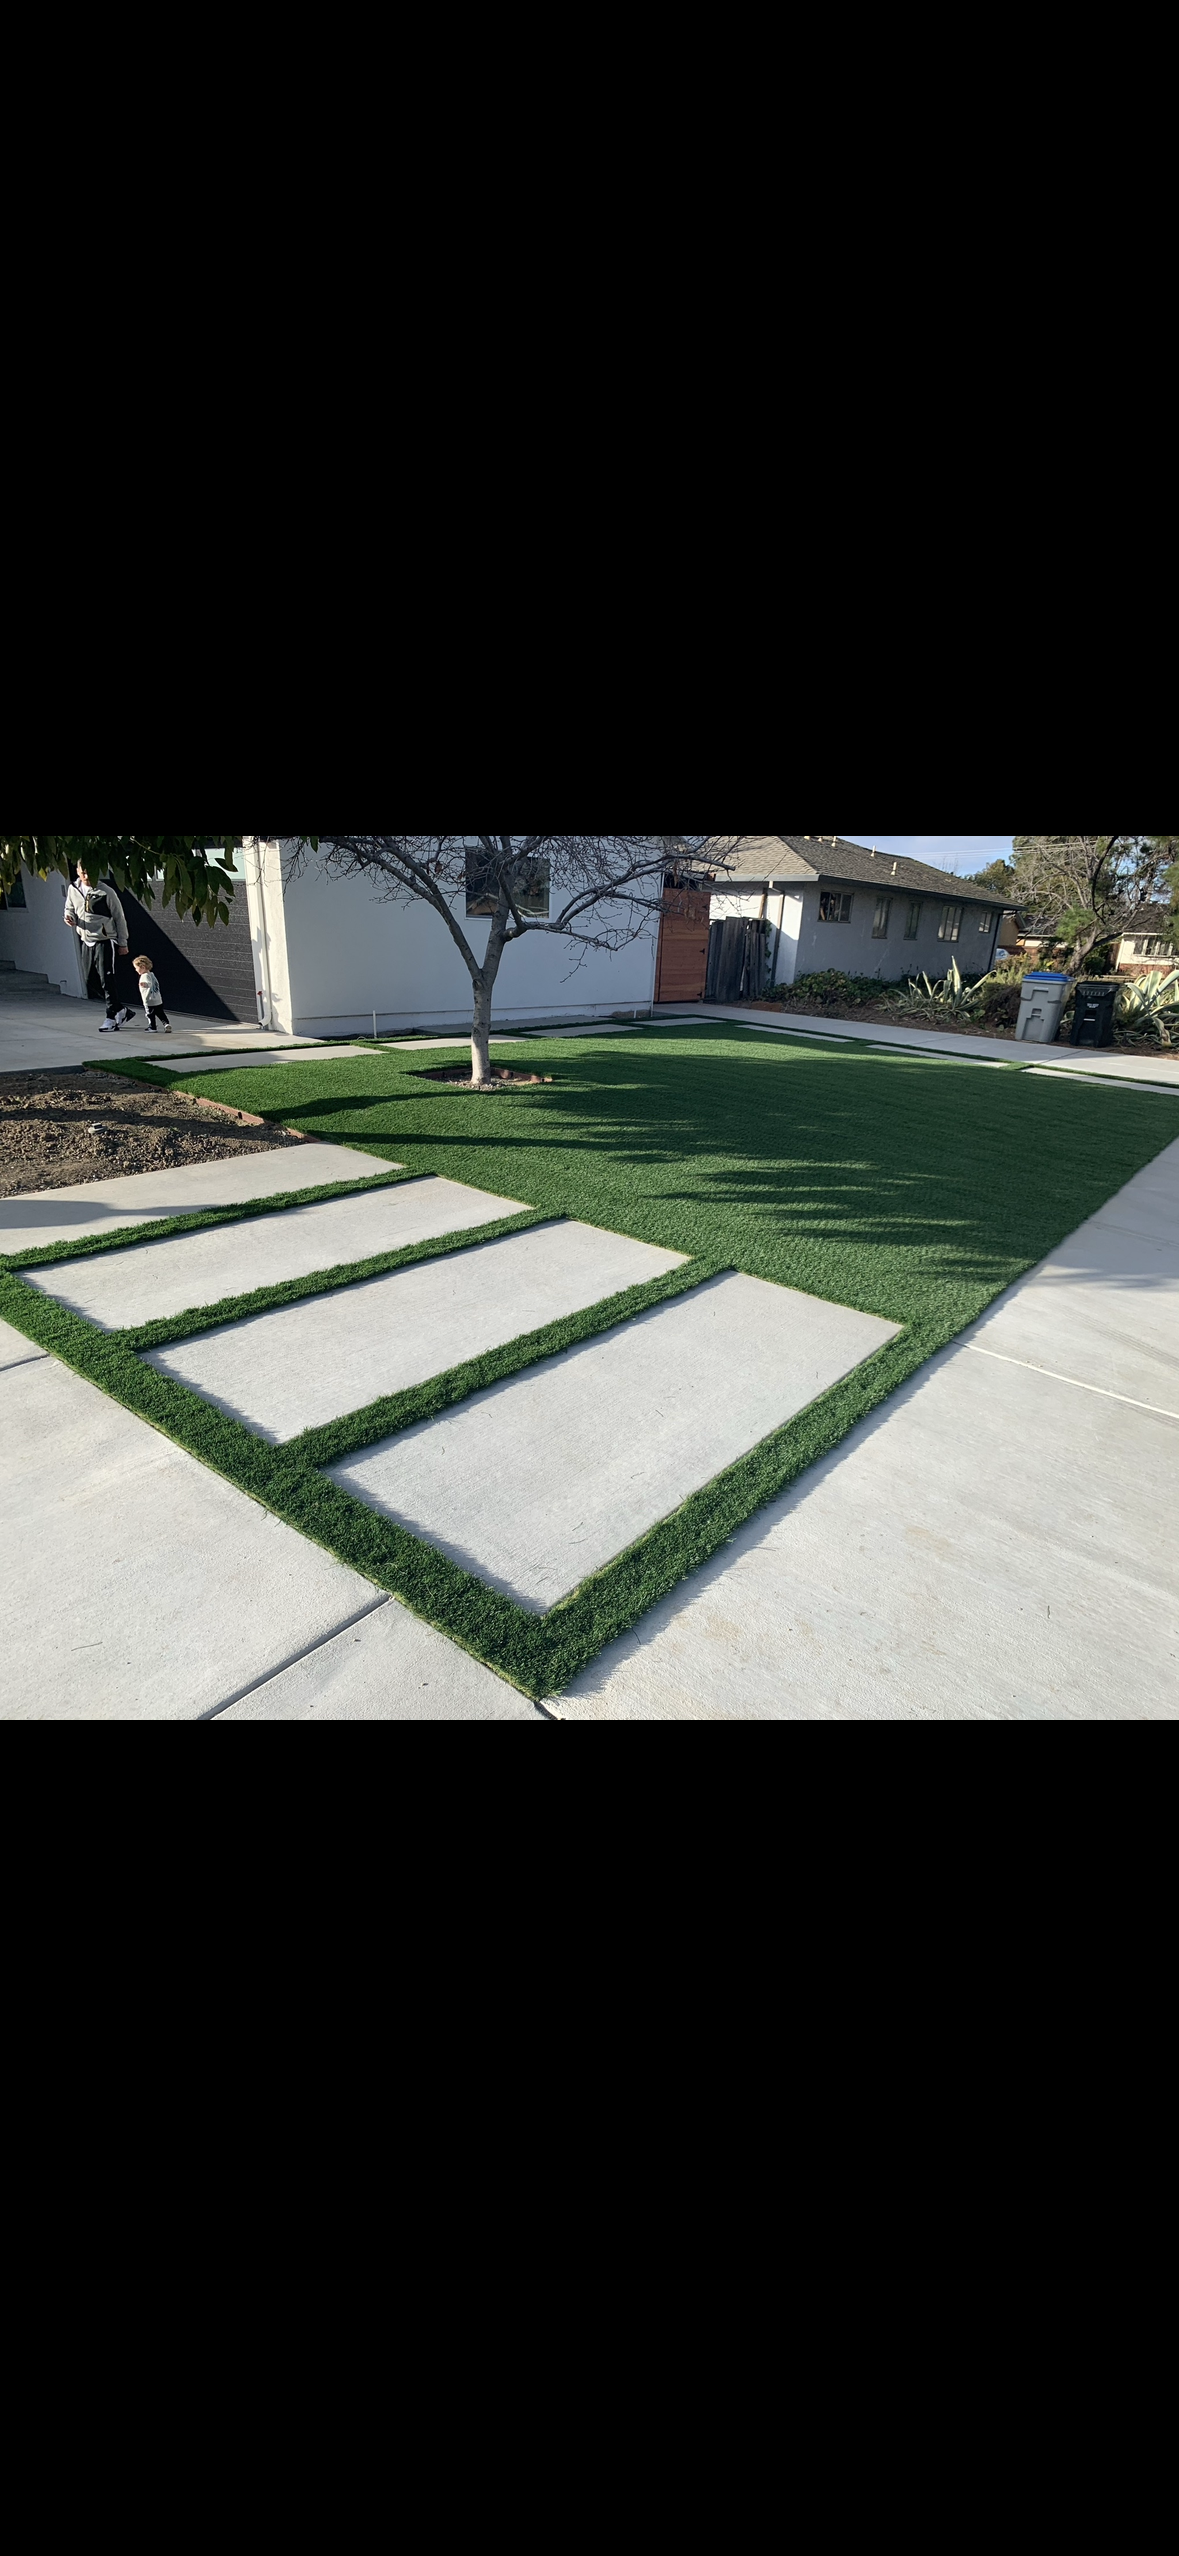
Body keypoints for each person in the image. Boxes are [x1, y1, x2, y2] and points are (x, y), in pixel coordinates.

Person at [64, 865, 135, 1030]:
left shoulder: (106, 891)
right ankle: (120, 1009)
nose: (87, 875)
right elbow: (69, 907)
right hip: (85, 939)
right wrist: (69, 916)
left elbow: (119, 917)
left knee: (106, 980)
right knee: (90, 980)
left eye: (90, 871)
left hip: (104, 939)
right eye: (84, 872)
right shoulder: (73, 889)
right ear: (78, 871)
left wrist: (122, 943)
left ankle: (111, 1018)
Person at [133, 956, 172, 1033]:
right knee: (160, 1013)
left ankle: (152, 1027)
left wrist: (144, 984)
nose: (136, 970)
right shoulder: (152, 975)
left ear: (142, 967)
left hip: (149, 1000)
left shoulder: (145, 976)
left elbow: (149, 984)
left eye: (136, 968)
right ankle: (166, 1024)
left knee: (150, 1014)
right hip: (158, 999)